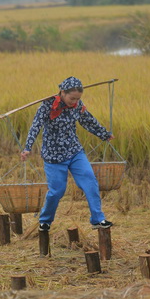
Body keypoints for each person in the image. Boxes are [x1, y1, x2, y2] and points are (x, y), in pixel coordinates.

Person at [21, 76, 114, 232]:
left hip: (74, 151)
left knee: (90, 181)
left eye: (78, 99)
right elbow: (35, 126)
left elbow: (88, 121)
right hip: (54, 156)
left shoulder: (78, 106)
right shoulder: (47, 106)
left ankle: (98, 219)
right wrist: (27, 147)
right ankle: (45, 220)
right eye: (72, 98)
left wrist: (104, 134)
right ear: (62, 93)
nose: (74, 101)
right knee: (57, 191)